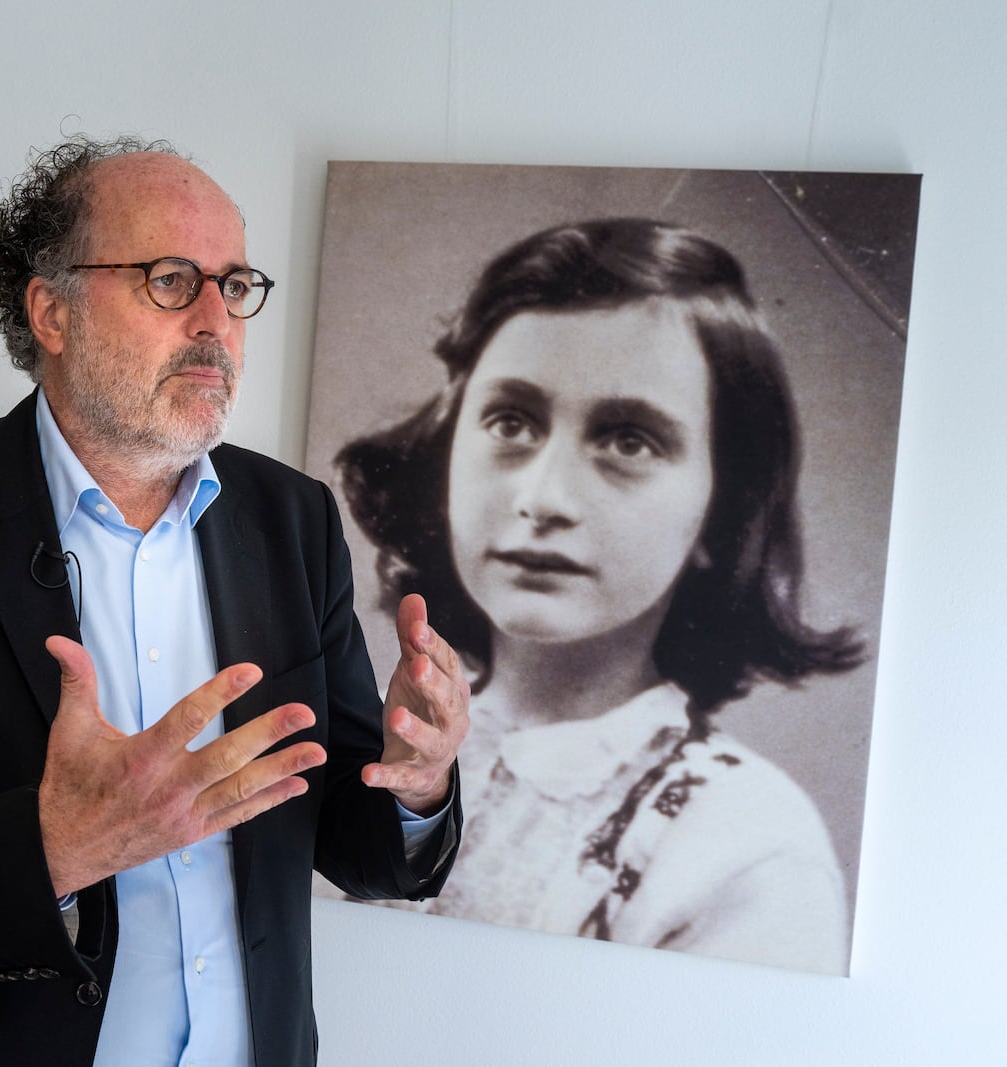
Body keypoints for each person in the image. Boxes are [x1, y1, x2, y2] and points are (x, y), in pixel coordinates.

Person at [0, 138, 469, 1066]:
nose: (216, 319)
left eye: (235, 285)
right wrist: (51, 848)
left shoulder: (292, 518)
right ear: (51, 309)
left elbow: (348, 836)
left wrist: (416, 781)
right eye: (171, 279)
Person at [335, 218, 864, 974]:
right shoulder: (362, 736)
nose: (542, 497)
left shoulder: (751, 850)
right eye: (511, 422)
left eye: (628, 440)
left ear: (723, 511)